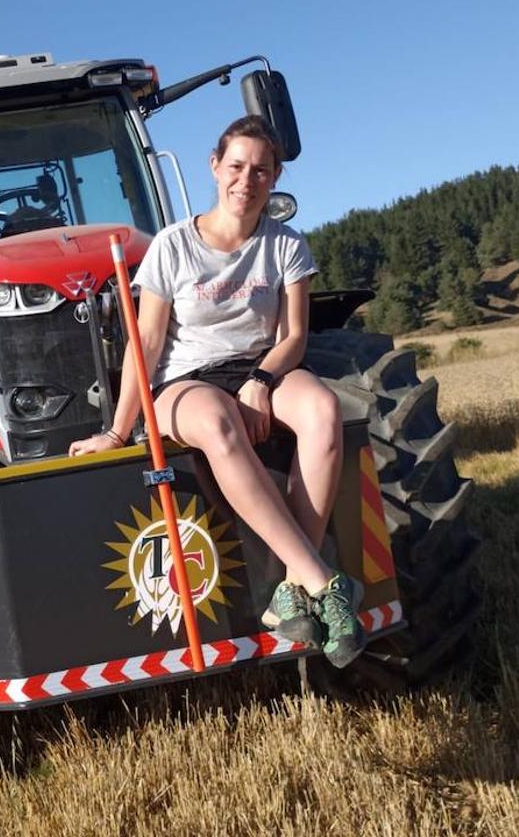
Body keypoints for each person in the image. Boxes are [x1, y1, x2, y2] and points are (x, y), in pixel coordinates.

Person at [68, 115, 365, 668]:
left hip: (260, 369)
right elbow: (148, 341)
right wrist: (116, 430)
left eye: (259, 170)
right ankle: (322, 582)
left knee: (324, 409)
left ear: (274, 177)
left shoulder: (287, 246)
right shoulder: (172, 246)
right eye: (236, 166)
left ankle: (291, 591)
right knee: (219, 424)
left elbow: (294, 336)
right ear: (214, 166)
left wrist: (260, 380)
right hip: (187, 381)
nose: (245, 180)